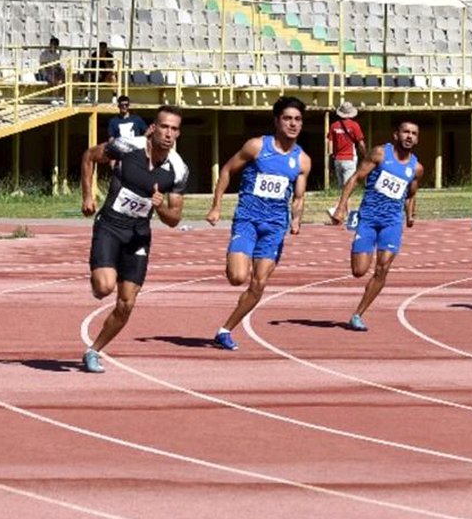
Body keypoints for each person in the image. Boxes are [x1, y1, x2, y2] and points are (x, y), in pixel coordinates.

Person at [80, 104, 188, 373]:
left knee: (127, 303)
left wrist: (160, 206)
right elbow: (89, 156)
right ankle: (102, 271)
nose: (168, 133)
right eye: (164, 127)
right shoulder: (127, 146)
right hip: (110, 226)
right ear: (153, 128)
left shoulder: (178, 169)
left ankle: (94, 350)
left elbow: (174, 219)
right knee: (103, 288)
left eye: (174, 129)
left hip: (138, 235)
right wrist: (88, 195)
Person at [205, 96, 311, 351]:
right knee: (237, 277)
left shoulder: (302, 160)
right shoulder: (256, 147)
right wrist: (217, 206)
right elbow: (228, 170)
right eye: (287, 118)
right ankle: (235, 255)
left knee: (259, 283)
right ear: (276, 121)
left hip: (275, 227)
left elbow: (298, 196)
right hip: (248, 221)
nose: (293, 124)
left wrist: (296, 219)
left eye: (297, 119)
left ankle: (225, 330)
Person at [330, 118, 423, 332]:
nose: (409, 136)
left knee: (382, 269)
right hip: (369, 218)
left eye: (413, 133)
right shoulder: (380, 154)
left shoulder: (416, 168)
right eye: (405, 132)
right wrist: (342, 206)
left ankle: (357, 315)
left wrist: (410, 214)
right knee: (359, 271)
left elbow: (411, 193)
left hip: (392, 222)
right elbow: (355, 178)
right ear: (396, 135)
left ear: (416, 139)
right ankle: (362, 252)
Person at [327, 100, 366, 191]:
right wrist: (365, 155)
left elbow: (330, 143)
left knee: (341, 188)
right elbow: (360, 143)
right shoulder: (354, 125)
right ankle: (346, 204)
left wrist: (330, 157)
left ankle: (342, 204)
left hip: (337, 159)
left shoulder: (334, 126)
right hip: (349, 158)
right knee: (348, 187)